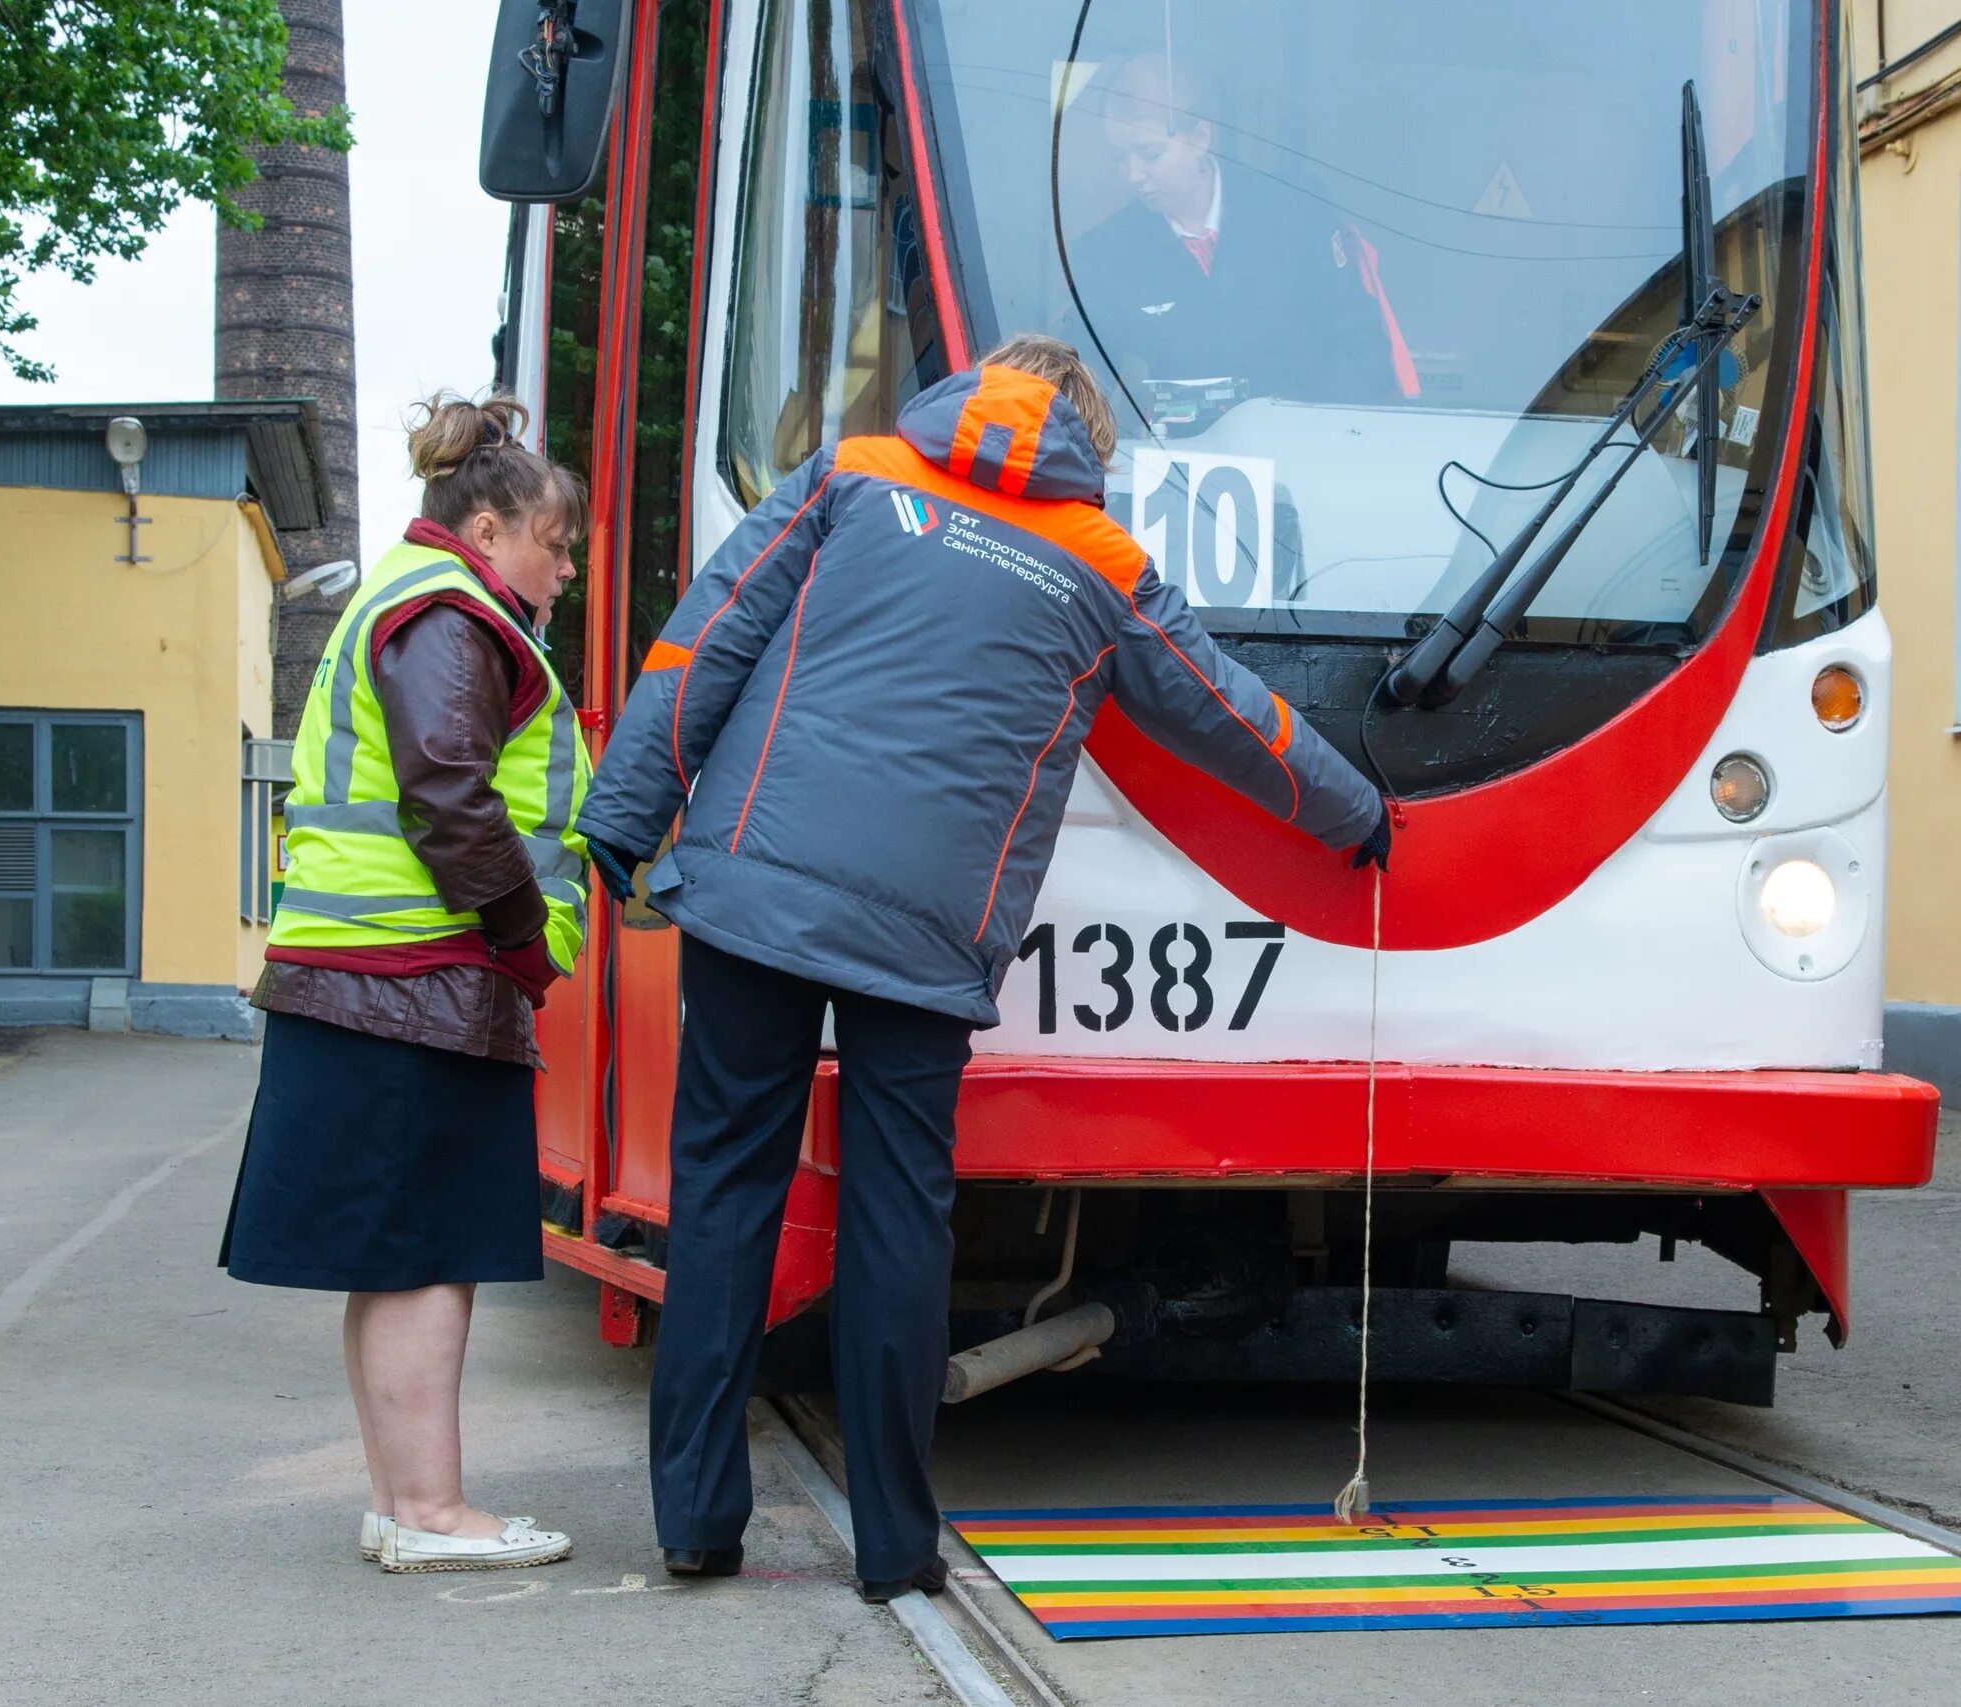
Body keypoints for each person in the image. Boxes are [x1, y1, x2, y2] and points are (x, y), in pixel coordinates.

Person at [577, 335, 1391, 1599]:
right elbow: (1223, 711)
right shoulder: (1099, 561)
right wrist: (1355, 814)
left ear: (972, 393)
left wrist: (623, 819)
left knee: (726, 1194)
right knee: (900, 1220)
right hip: (924, 927)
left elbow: (706, 642)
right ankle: (896, 1546)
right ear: (1087, 445)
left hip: (752, 887)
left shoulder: (851, 475)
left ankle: (696, 1520)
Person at [221, 394, 594, 1575]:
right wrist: (527, 943)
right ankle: (432, 1513)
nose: (568, 567)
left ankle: (403, 1504)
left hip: (364, 977)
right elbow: (448, 788)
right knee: (432, 1252)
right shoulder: (453, 615)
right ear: (488, 530)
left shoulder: (409, 597)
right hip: (421, 981)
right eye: (557, 542)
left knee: (396, 1255)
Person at [1067, 54, 1413, 408]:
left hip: (1306, 446)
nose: (1133, 174)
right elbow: (1080, 384)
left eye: (1150, 154)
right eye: (1119, 158)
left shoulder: (1296, 215)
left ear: (1200, 138)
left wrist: (1301, 421)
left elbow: (1363, 351)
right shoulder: (1106, 253)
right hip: (1178, 456)